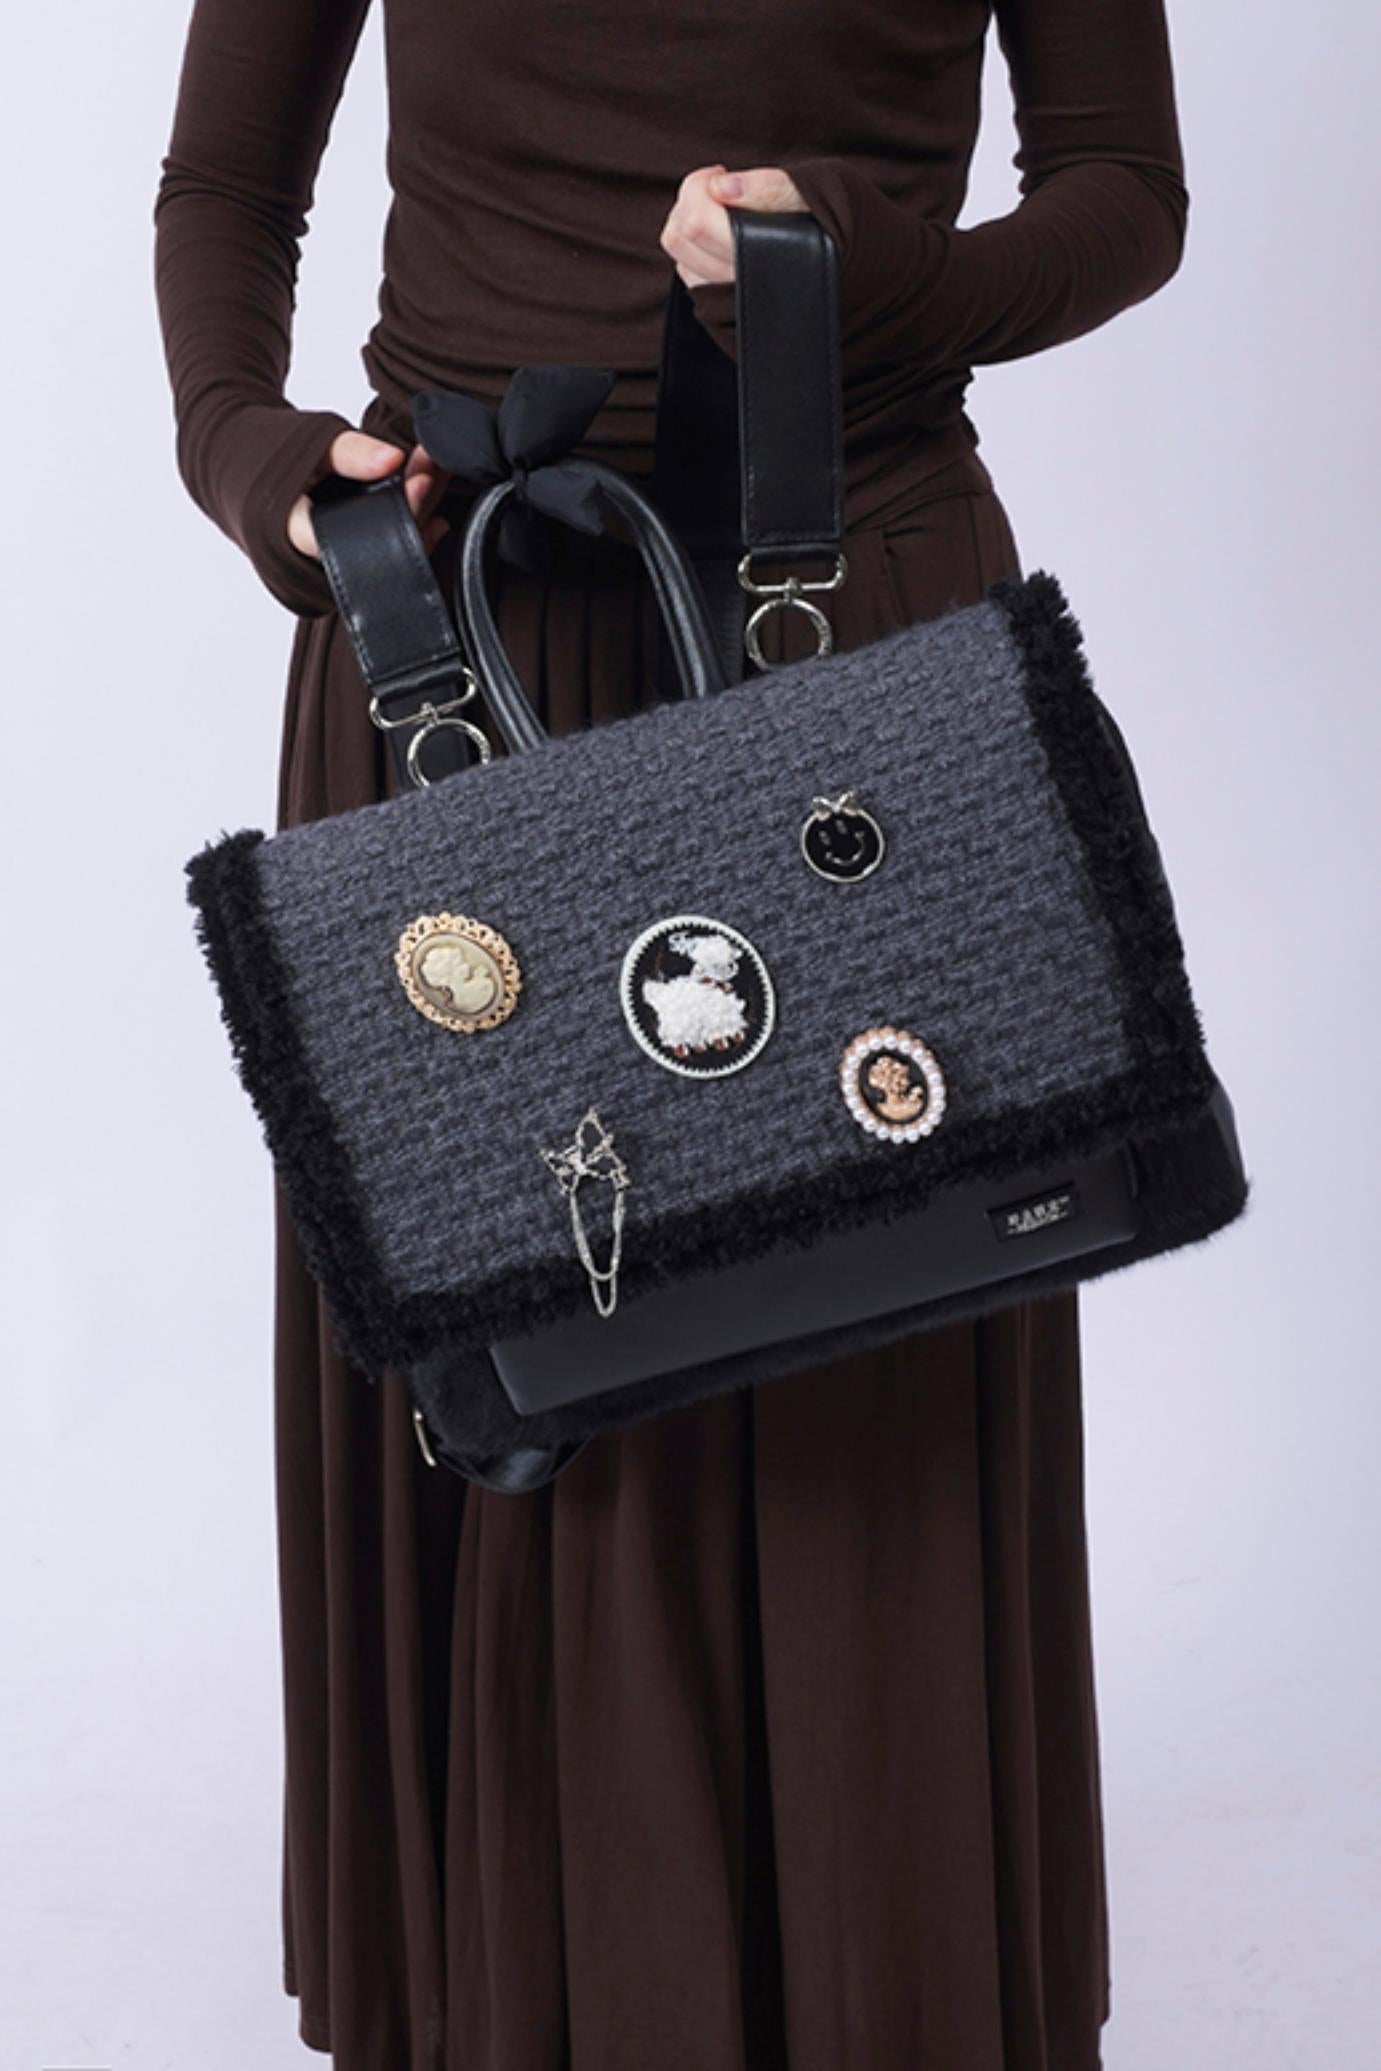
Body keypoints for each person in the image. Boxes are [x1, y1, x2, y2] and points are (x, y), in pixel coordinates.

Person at [153, 2, 1188, 2064]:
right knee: (515, 1352)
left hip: (849, 610)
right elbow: (226, 188)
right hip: (453, 626)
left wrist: (852, 271)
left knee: (862, 1346)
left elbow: (1121, 195)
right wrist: (260, 464)